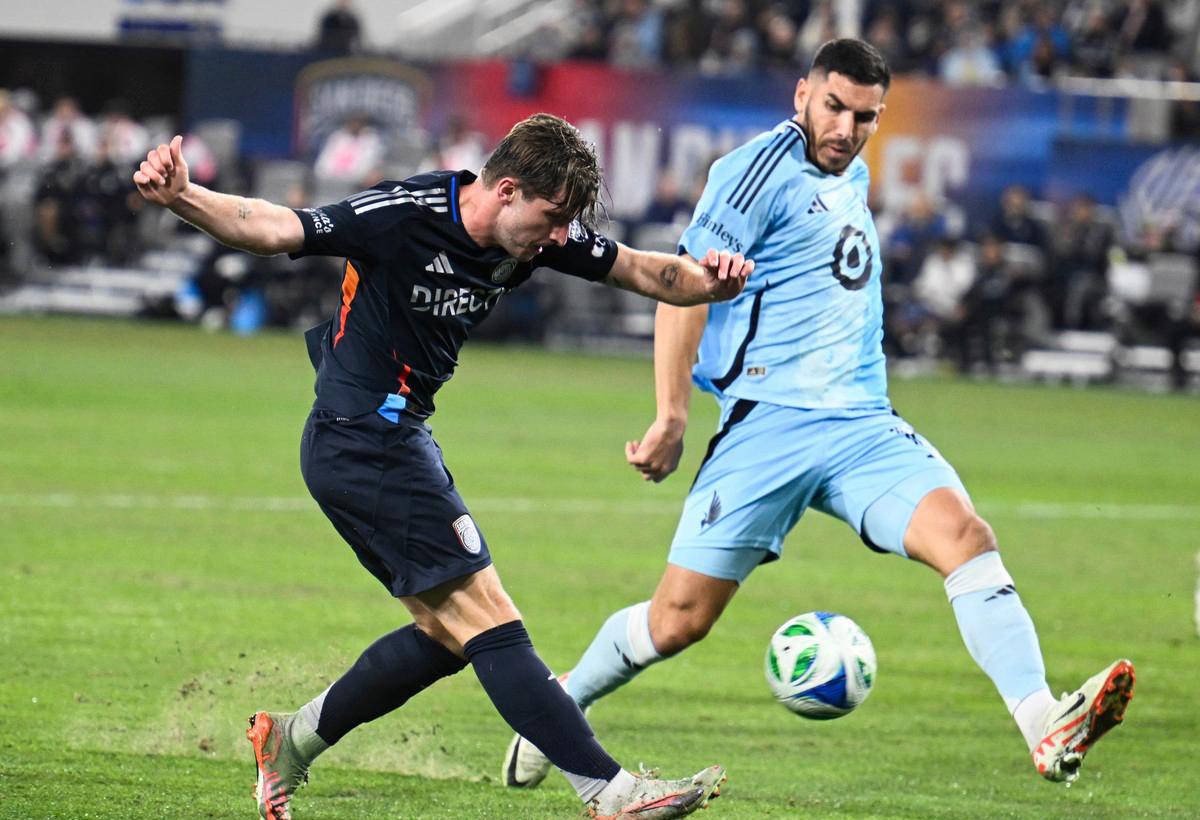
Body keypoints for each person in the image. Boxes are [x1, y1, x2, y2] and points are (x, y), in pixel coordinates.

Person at [502, 39, 1135, 793]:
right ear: (802, 94)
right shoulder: (752, 174)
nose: (846, 128)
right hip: (767, 428)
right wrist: (671, 414)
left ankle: (1044, 724)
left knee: (967, 539)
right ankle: (559, 705)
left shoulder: (851, 172)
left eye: (865, 116)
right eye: (834, 107)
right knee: (678, 621)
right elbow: (682, 288)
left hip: (862, 425)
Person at [133, 113, 753, 820]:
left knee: (447, 637)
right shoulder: (404, 215)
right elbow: (276, 227)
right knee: (490, 617)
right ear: (508, 190)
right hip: (362, 440)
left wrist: (711, 285)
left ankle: (291, 743)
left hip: (391, 439)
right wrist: (184, 196)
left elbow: (643, 269)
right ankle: (610, 793)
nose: (559, 238)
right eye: (553, 219)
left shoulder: (534, 233)